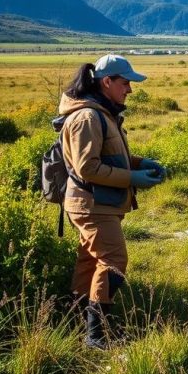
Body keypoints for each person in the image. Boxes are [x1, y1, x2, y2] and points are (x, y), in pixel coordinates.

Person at [58, 54, 166, 348]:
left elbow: (110, 157)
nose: (129, 89)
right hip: (92, 205)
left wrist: (142, 163)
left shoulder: (101, 113)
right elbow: (88, 168)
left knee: (90, 262)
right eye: (125, 82)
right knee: (113, 262)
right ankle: (97, 335)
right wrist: (133, 178)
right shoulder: (87, 117)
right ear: (107, 82)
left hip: (96, 203)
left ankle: (80, 322)